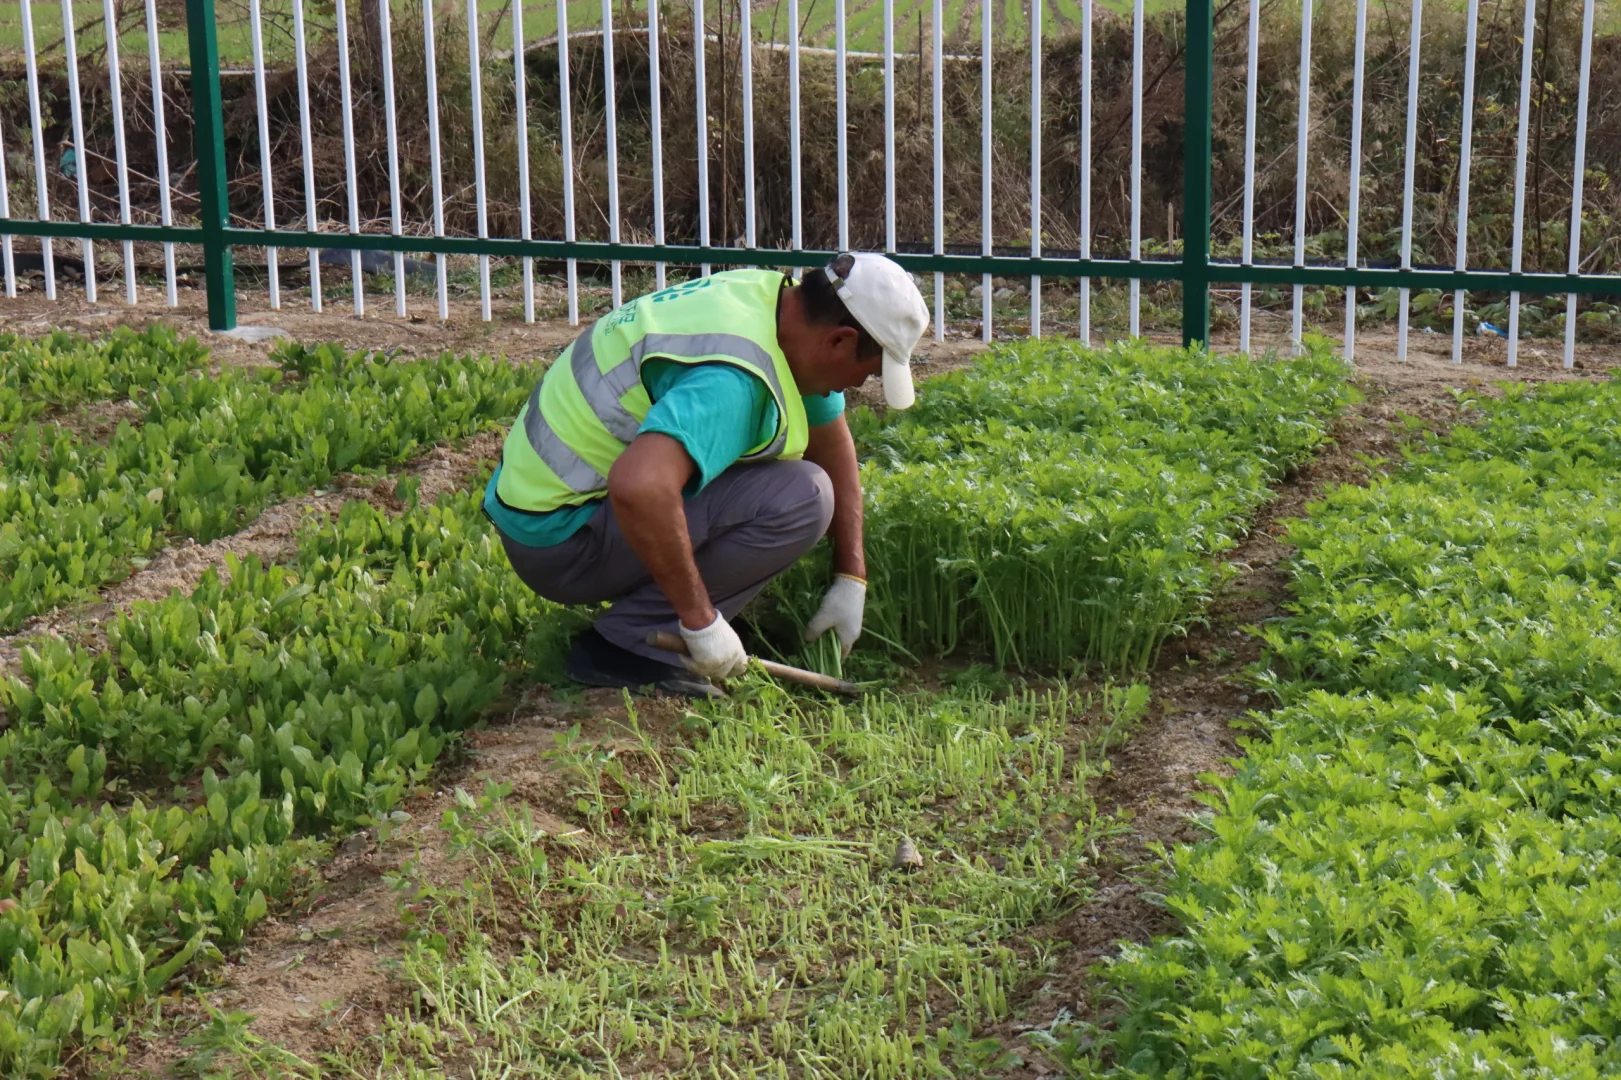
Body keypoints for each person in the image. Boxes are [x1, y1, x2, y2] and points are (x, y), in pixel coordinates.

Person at [483, 252, 930, 696]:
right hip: (563, 542)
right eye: (868, 372)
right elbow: (640, 486)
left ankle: (664, 612)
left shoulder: (769, 301)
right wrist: (701, 622)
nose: (858, 386)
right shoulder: (732, 382)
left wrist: (851, 576)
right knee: (803, 497)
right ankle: (626, 645)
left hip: (547, 506)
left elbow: (830, 439)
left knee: (799, 480)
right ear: (839, 341)